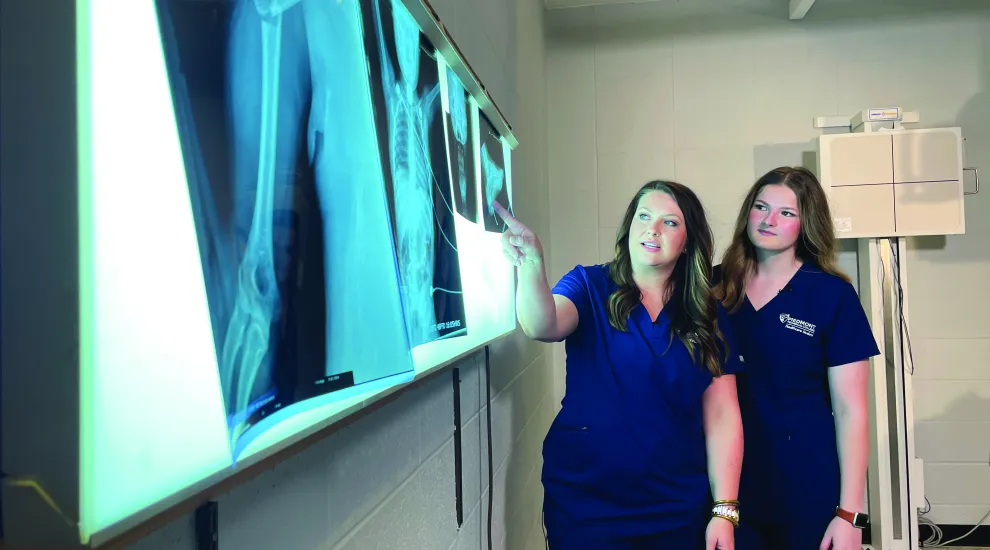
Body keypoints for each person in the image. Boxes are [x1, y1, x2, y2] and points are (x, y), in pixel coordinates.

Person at [493, 180, 745, 550]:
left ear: (688, 240)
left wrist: (724, 511)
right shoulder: (590, 285)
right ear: (629, 225)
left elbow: (723, 415)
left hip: (675, 505)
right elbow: (542, 324)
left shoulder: (707, 313)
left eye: (670, 222)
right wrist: (532, 265)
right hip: (588, 503)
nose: (652, 229)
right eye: (643, 216)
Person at [712, 167, 880, 550]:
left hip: (805, 482)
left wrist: (849, 515)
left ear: (807, 224)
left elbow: (852, 410)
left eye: (787, 213)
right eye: (761, 207)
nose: (769, 220)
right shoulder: (712, 287)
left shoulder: (831, 296)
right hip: (726, 484)